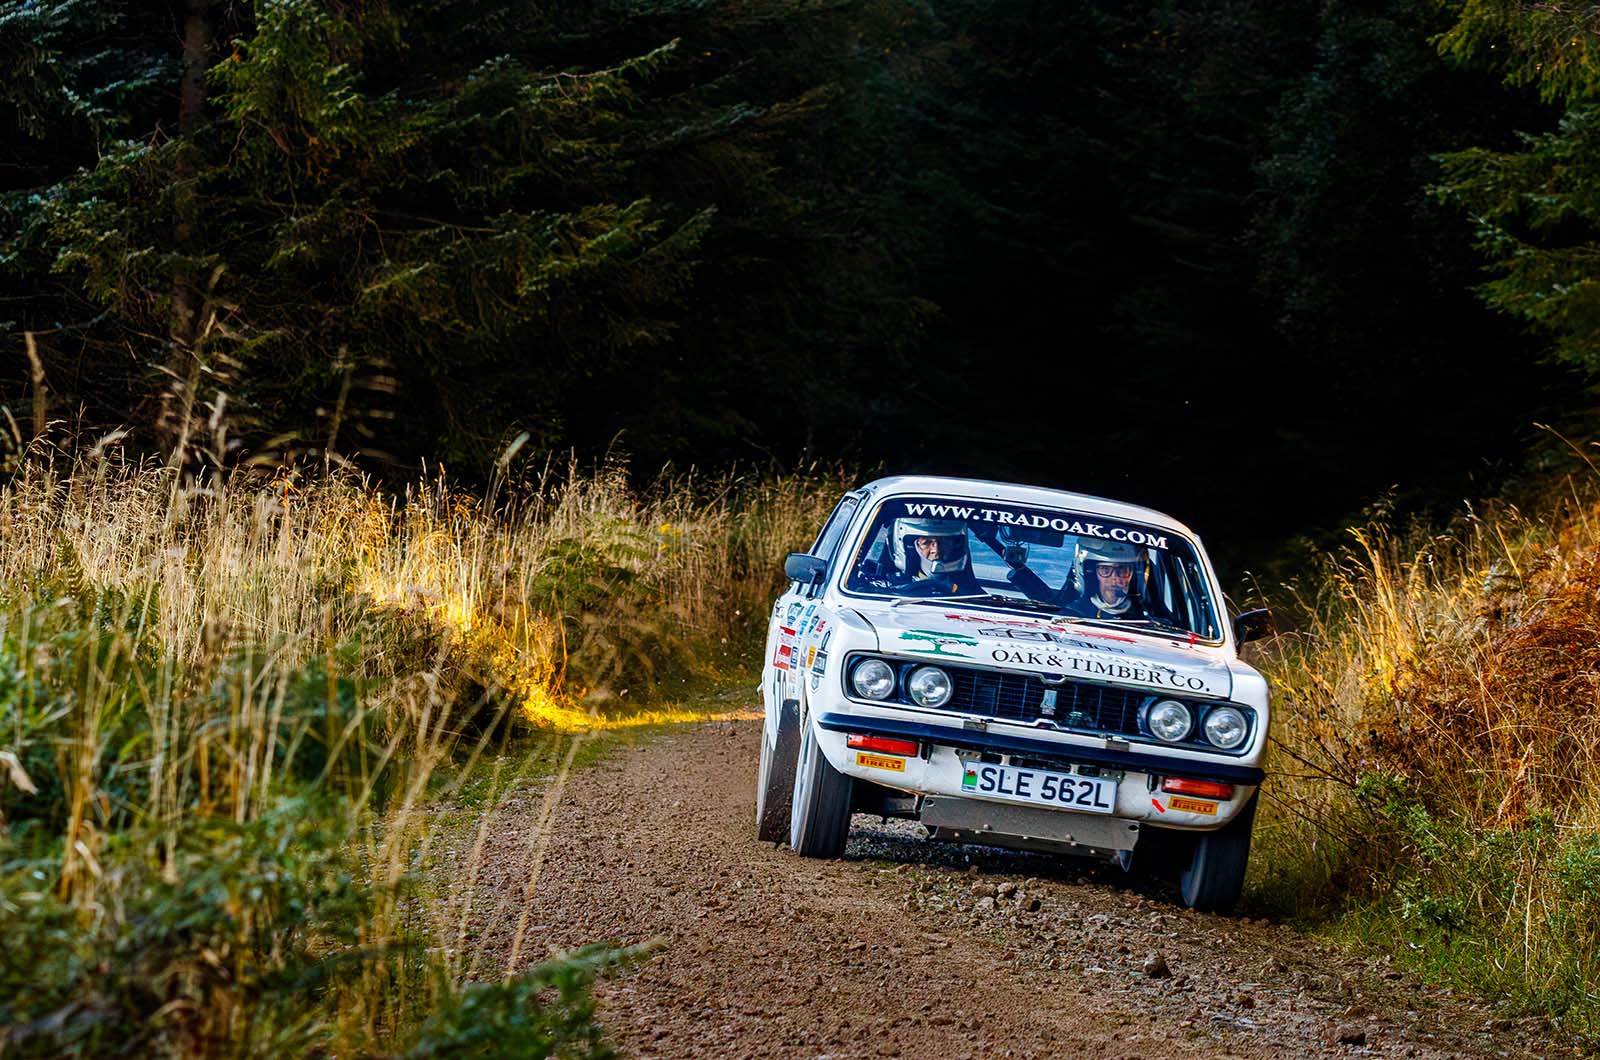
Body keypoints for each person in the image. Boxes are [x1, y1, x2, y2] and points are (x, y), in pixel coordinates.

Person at [871, 516, 982, 595]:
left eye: (945, 542)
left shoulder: (974, 596)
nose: (936, 550)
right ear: (909, 547)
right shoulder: (884, 588)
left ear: (956, 545)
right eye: (926, 543)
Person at [1064, 539, 1149, 619]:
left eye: (1122, 570)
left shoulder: (1150, 616)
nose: (1114, 578)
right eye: (1105, 569)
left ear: (1133, 575)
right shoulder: (1072, 613)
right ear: (1093, 575)